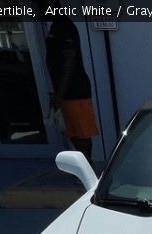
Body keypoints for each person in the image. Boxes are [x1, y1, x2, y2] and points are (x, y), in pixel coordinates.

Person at [43, 12, 98, 162]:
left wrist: (60, 93)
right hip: (64, 92)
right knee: (72, 133)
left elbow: (70, 59)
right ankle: (83, 165)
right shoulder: (54, 26)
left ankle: (88, 168)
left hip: (76, 91)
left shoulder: (64, 25)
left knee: (82, 134)